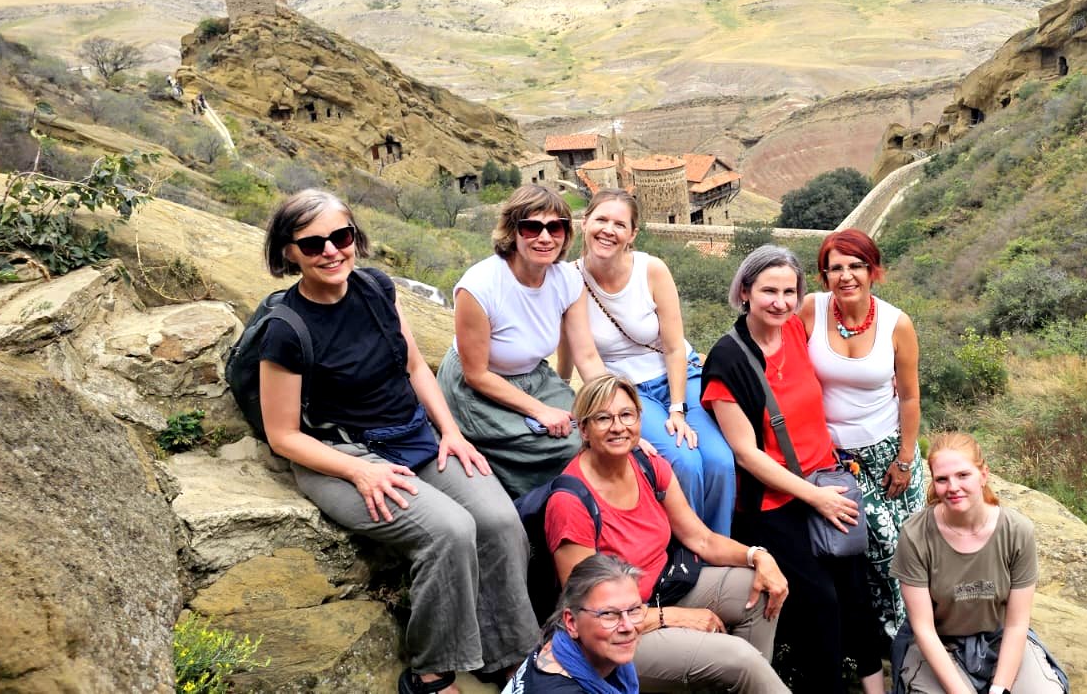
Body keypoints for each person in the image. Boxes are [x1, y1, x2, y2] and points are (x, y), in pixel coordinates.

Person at [255, 190, 538, 694]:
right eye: (312, 242)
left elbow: (412, 366)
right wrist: (359, 470)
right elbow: (283, 436)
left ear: (354, 239)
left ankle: (509, 656)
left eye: (340, 237)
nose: (330, 251)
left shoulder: (376, 288)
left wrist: (450, 430)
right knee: (448, 531)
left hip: (412, 436)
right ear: (288, 252)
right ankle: (431, 672)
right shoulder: (286, 330)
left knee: (499, 522)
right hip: (338, 454)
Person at [700, 245, 885, 694]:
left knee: (856, 591)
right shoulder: (727, 361)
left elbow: (858, 305)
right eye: (768, 291)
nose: (779, 302)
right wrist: (814, 498)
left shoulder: (797, 331)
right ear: (744, 292)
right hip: (774, 502)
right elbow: (747, 453)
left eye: (789, 291)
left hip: (825, 479)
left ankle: (876, 688)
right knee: (819, 603)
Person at [545, 373, 791, 693]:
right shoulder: (570, 502)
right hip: (619, 634)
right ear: (584, 429)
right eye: (603, 418)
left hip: (666, 587)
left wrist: (758, 555)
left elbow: (700, 538)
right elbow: (592, 612)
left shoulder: (648, 466)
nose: (618, 426)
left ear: (639, 419)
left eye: (626, 415)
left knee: (757, 589)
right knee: (742, 659)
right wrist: (674, 617)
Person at [567, 187, 736, 533]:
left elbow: (674, 347)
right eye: (601, 219)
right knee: (684, 462)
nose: (608, 230)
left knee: (720, 462)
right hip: (626, 391)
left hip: (679, 377)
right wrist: (619, 417)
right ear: (585, 222)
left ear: (632, 234)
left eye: (619, 224)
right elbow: (585, 355)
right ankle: (689, 553)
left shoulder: (651, 270)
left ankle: (719, 547)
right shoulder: (571, 280)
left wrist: (677, 409)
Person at [440, 184, 608, 498]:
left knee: (599, 430)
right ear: (513, 232)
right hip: (479, 387)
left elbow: (586, 355)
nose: (545, 237)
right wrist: (539, 411)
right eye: (532, 227)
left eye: (555, 227)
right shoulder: (480, 287)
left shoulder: (568, 280)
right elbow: (476, 374)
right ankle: (539, 509)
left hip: (533, 377)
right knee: (569, 445)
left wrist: (612, 405)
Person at [800, 228, 927, 638]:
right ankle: (884, 636)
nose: (846, 275)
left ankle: (920, 631)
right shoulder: (810, 311)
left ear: (874, 271)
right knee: (875, 546)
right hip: (836, 458)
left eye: (856, 265)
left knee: (911, 548)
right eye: (835, 268)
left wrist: (905, 458)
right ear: (824, 277)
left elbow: (908, 397)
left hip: (890, 449)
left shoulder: (896, 323)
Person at [891, 433, 1065, 694]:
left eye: (963, 475)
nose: (952, 487)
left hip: (1000, 638)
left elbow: (1017, 623)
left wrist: (1000, 689)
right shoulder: (915, 535)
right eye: (942, 479)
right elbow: (924, 629)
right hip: (940, 644)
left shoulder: (1017, 531)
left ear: (983, 474)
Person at [506, 553, 645, 694]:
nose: (628, 627)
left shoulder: (557, 640)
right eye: (608, 614)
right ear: (571, 622)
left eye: (634, 610)